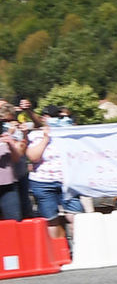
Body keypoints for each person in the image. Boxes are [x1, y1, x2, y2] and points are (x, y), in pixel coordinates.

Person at [26, 106, 84, 236]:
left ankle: (77, 245)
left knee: (75, 217)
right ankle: (56, 247)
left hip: (67, 181)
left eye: (61, 117)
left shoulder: (71, 134)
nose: (58, 119)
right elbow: (33, 157)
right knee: (51, 220)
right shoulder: (36, 134)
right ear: (44, 118)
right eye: (53, 116)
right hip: (43, 183)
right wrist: (45, 138)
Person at [0, 101, 23, 221]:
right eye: (4, 120)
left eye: (9, 120)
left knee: (13, 221)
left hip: (8, 184)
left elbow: (16, 158)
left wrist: (10, 144)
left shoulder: (10, 133)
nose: (6, 123)